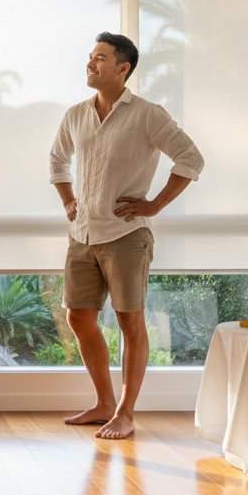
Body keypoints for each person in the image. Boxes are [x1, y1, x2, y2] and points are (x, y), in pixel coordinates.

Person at [48, 32, 204, 439]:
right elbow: (57, 160)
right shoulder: (76, 114)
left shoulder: (148, 115)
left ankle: (126, 412)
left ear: (123, 68)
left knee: (129, 321)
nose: (90, 64)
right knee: (78, 317)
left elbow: (191, 158)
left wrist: (154, 205)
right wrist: (68, 199)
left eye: (100, 58)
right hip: (82, 236)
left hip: (125, 236)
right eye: (89, 57)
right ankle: (102, 403)